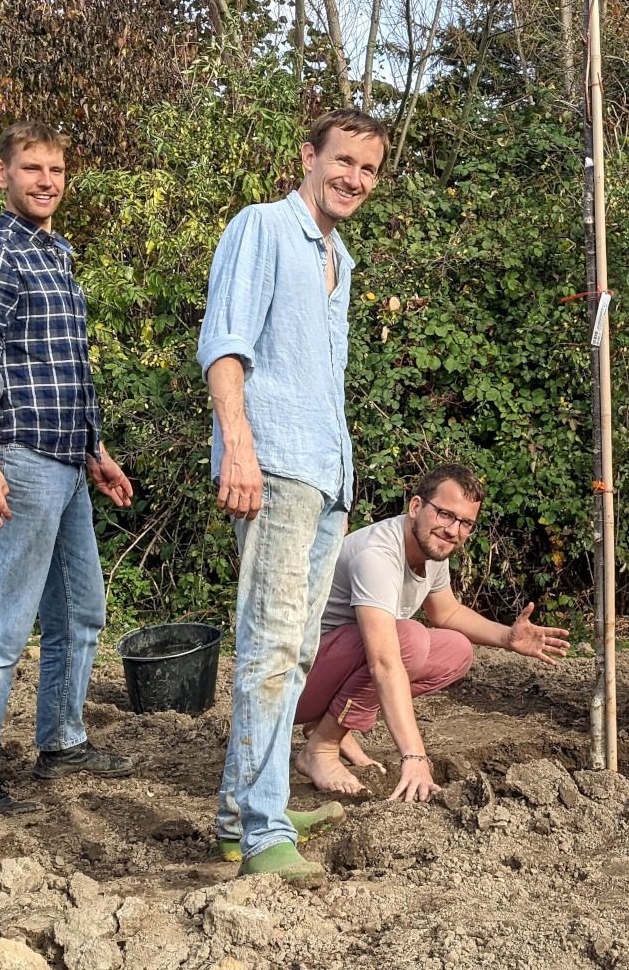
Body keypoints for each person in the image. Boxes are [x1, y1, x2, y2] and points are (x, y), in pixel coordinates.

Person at [196, 109, 385, 883]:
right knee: (270, 648)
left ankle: (246, 810)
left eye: (369, 170)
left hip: (324, 473)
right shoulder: (263, 227)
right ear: (310, 157)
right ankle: (264, 832)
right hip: (273, 463)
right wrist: (238, 446)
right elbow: (225, 343)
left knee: (297, 651)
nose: (354, 179)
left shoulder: (338, 257)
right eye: (343, 162)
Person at [0, 122, 137, 815]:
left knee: (81, 610)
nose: (46, 181)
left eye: (56, 169)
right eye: (32, 168)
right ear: (2, 174)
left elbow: (61, 371)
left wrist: (96, 452)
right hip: (19, 462)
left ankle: (62, 742)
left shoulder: (56, 254)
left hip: (68, 462)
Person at [291, 465, 572, 802]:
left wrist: (507, 638)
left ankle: (330, 725)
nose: (453, 530)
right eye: (444, 514)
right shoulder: (377, 555)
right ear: (415, 507)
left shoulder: (431, 548)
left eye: (465, 523)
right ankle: (320, 749)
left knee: (456, 650)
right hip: (296, 682)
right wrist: (414, 756)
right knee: (408, 639)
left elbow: (446, 612)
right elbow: (384, 662)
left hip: (333, 670)